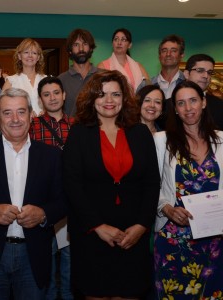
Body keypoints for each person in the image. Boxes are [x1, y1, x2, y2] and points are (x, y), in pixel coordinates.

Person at [0, 88, 67, 300]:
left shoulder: (51, 156)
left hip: (33, 255)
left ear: (31, 116)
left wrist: (43, 214)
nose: (15, 119)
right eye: (7, 113)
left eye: (21, 112)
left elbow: (63, 200)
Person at [63, 70, 160, 298]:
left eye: (115, 94)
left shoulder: (141, 133)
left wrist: (142, 226)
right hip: (91, 235)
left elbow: (152, 183)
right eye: (102, 94)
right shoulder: (78, 133)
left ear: (124, 98)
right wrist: (97, 226)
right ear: (91, 98)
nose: (109, 101)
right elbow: (71, 184)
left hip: (132, 235)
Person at [153, 81, 223, 299]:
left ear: (203, 102)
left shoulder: (222, 140)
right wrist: (166, 208)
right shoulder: (162, 140)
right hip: (174, 239)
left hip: (216, 240)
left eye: (193, 100)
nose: (188, 108)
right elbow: (150, 187)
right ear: (175, 108)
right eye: (181, 103)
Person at [29, 76, 74, 300]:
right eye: (46, 94)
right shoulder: (32, 125)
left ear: (64, 95)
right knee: (45, 269)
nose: (52, 98)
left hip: (72, 203)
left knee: (70, 269)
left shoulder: (78, 125)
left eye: (56, 93)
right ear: (40, 99)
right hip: (44, 203)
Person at [58, 28, 98, 117]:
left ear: (91, 48)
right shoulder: (61, 80)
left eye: (85, 44)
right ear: (70, 50)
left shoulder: (102, 76)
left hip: (100, 129)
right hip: (71, 129)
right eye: (76, 45)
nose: (81, 48)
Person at [3, 38, 47, 115]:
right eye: (26, 52)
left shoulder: (46, 80)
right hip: (19, 125)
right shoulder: (11, 81)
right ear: (19, 56)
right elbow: (3, 109)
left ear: (38, 57)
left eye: (34, 53)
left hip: (44, 125)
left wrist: (46, 112)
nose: (30, 56)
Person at [98, 28, 150, 92]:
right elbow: (98, 90)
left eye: (123, 40)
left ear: (130, 45)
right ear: (112, 44)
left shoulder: (139, 67)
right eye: (116, 39)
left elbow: (148, 90)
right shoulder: (102, 66)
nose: (119, 42)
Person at [184, 53, 223, 130]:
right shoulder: (170, 104)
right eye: (200, 70)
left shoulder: (220, 106)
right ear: (186, 74)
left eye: (209, 72)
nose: (206, 76)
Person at [151, 34, 186, 99]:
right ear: (159, 56)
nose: (168, 54)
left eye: (173, 51)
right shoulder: (149, 85)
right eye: (164, 51)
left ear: (181, 55)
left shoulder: (188, 83)